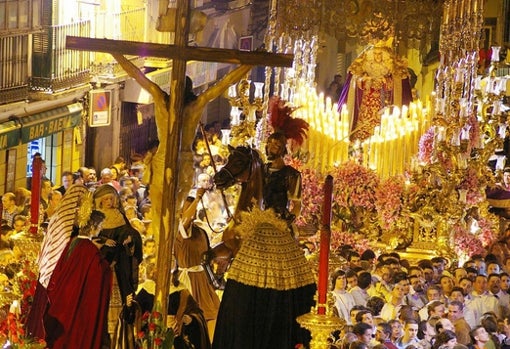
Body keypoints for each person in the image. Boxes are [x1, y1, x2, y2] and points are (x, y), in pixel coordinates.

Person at [44, 210, 111, 349]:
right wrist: (107, 265)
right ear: (92, 227)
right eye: (100, 225)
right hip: (80, 302)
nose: (102, 229)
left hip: (65, 299)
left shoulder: (72, 242)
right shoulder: (89, 250)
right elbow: (96, 276)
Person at [93, 184, 143, 348]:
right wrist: (103, 242)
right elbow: (90, 238)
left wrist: (131, 241)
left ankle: (120, 339)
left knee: (122, 300)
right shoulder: (96, 218)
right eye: (105, 199)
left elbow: (131, 235)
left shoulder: (120, 216)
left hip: (119, 268)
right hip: (101, 268)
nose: (108, 202)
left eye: (110, 199)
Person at [337, 38, 412, 141]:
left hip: (383, 102)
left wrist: (386, 82)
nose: (378, 57)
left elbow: (398, 82)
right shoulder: (364, 64)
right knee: (364, 124)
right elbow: (355, 79)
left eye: (380, 54)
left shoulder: (391, 67)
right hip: (367, 102)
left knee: (382, 123)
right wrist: (364, 81)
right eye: (375, 54)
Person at [175, 183, 220, 339]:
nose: (191, 212)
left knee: (213, 314)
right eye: (187, 208)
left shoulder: (200, 231)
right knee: (190, 318)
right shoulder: (180, 231)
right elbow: (186, 220)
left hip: (203, 279)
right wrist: (198, 197)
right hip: (189, 281)